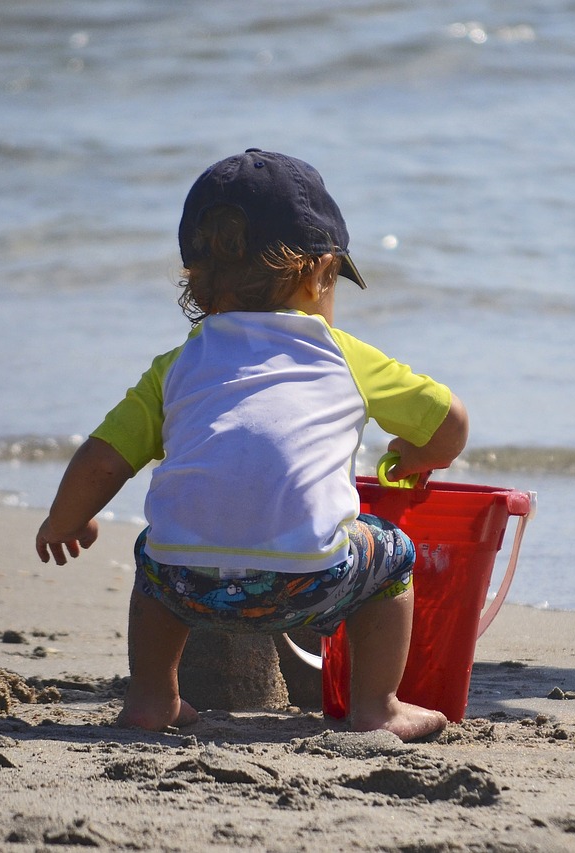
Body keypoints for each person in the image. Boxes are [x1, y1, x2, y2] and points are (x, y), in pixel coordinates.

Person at [35, 149, 468, 741]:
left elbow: (104, 457)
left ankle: (152, 699)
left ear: (197, 276)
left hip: (186, 587)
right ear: (318, 272)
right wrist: (418, 458)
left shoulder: (179, 365)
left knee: (152, 554)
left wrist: (67, 520)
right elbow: (450, 423)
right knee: (393, 553)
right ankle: (378, 707)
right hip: (311, 585)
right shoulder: (341, 354)